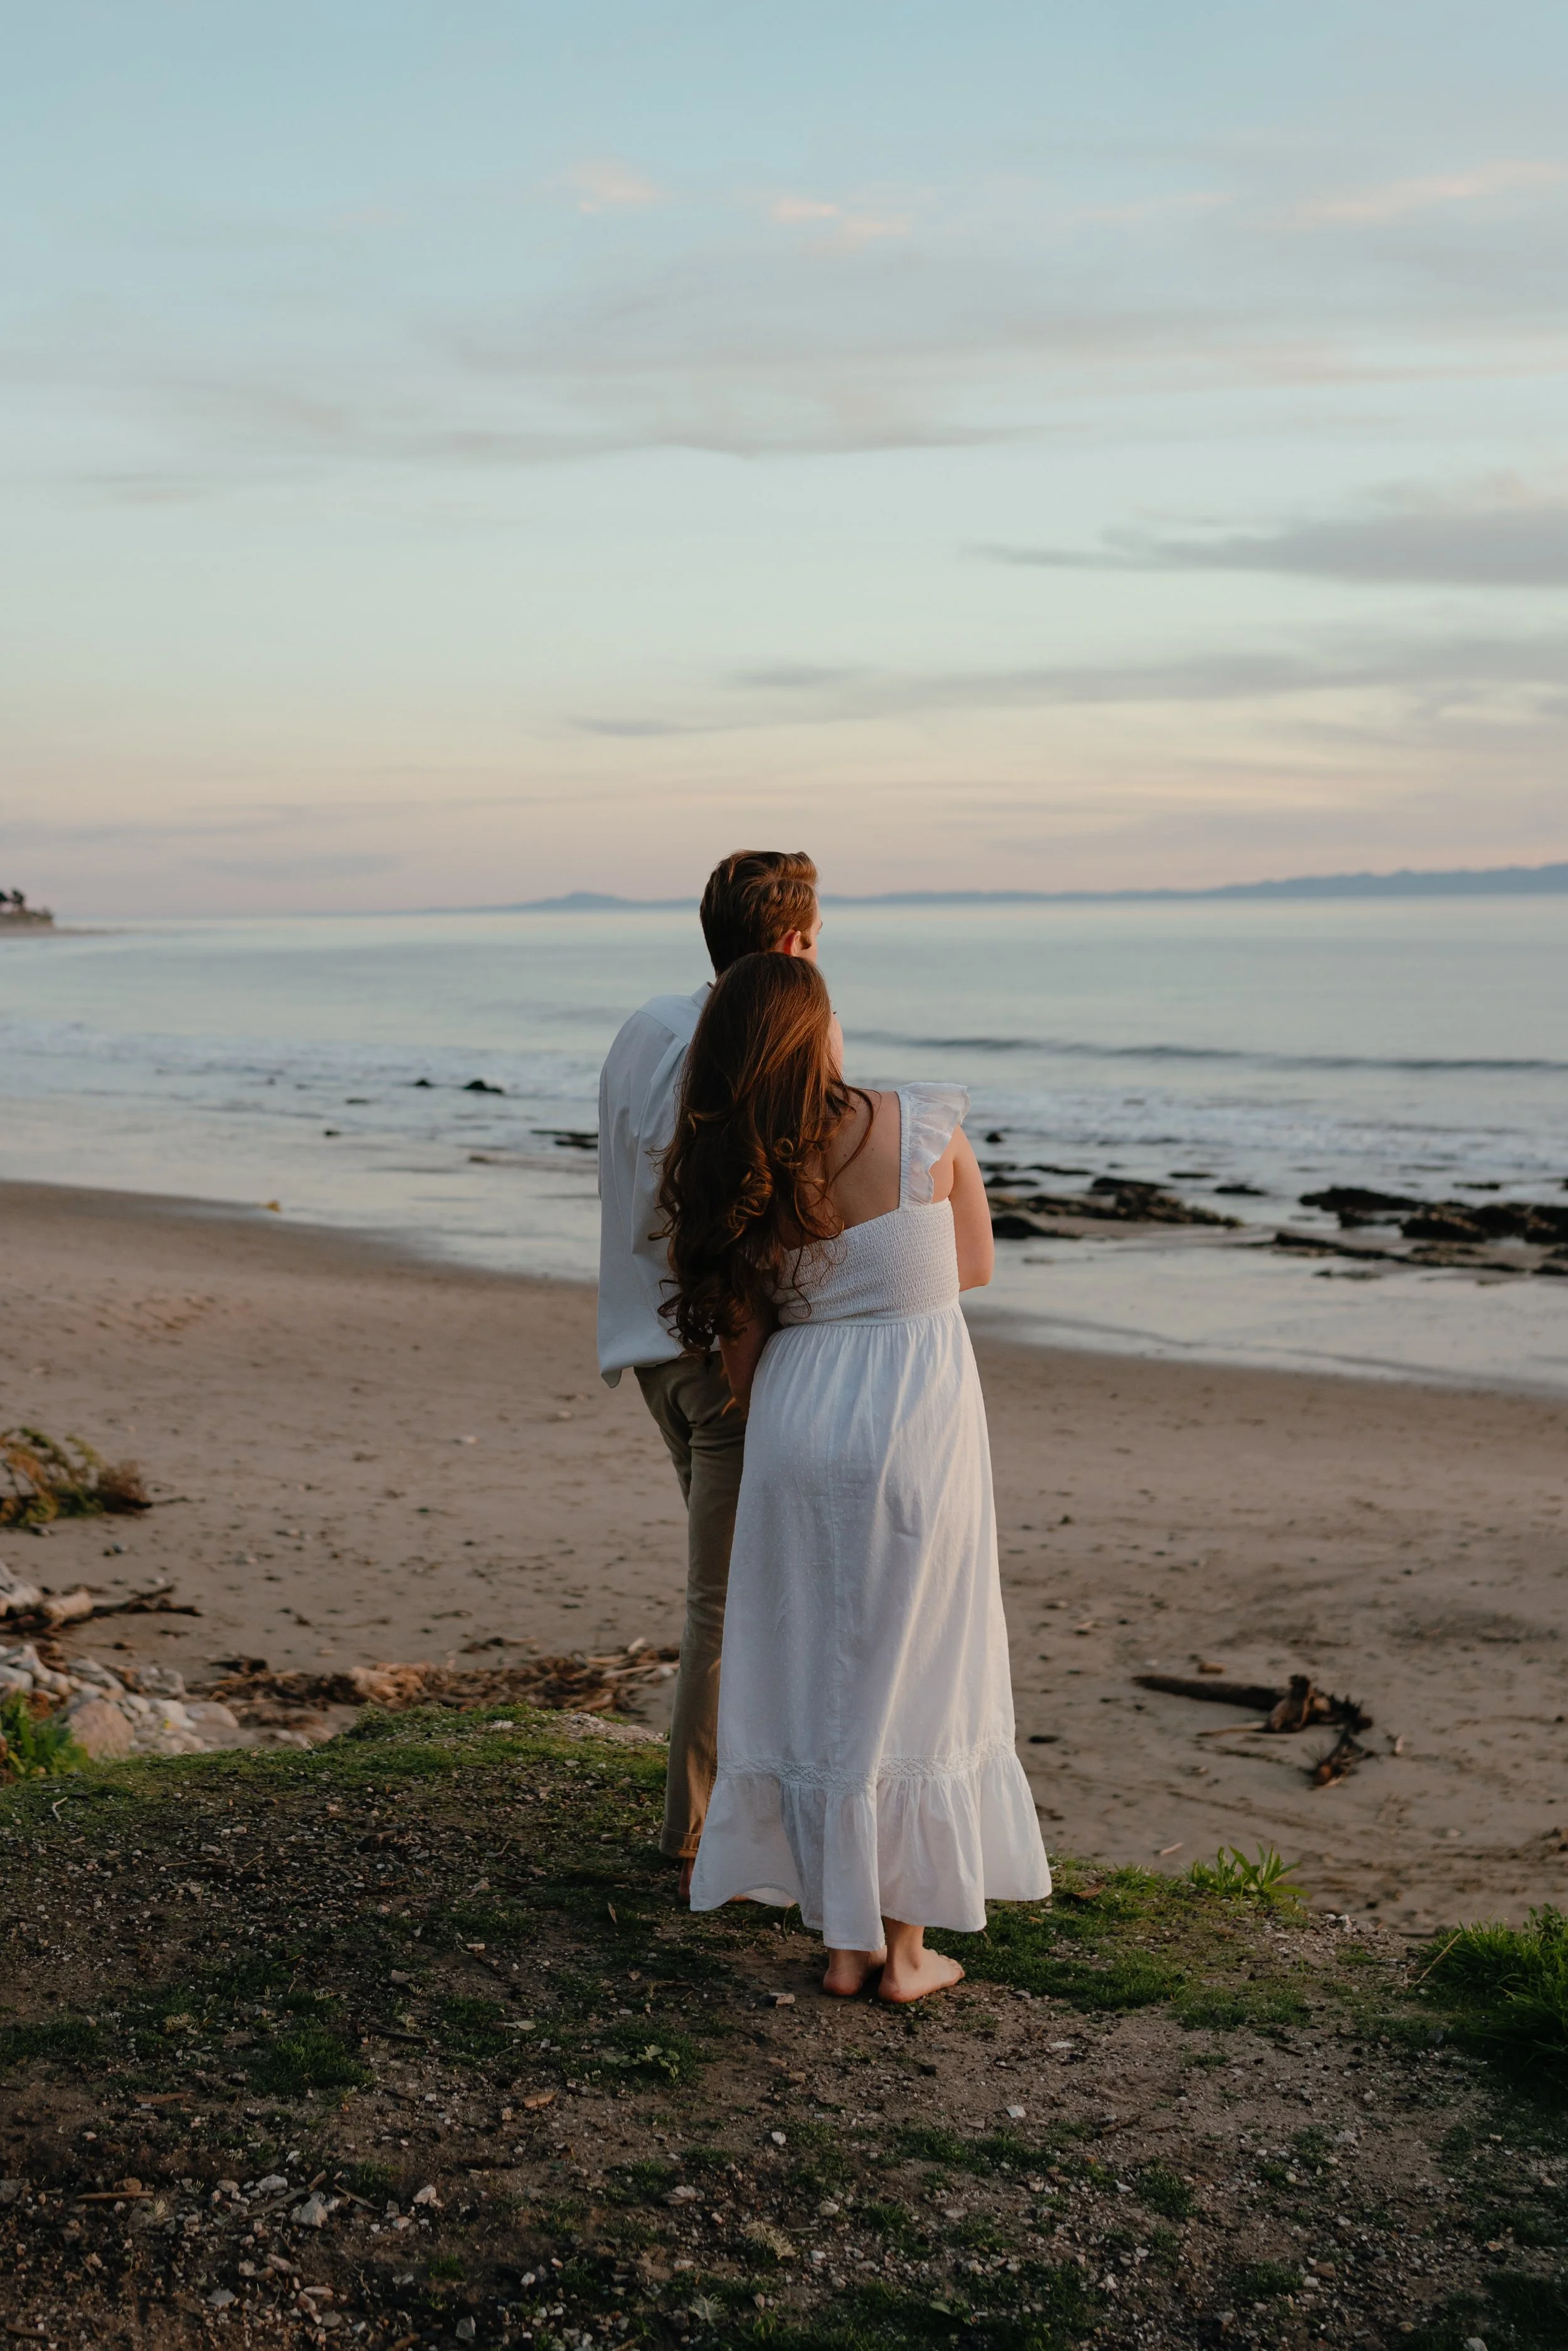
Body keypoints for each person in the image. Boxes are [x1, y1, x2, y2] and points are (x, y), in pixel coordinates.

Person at [659, 954, 1050, 2001]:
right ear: (821, 1033)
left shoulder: (731, 1172)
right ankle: (906, 1953)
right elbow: (972, 1265)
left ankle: (842, 1944)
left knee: (815, 1668)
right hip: (916, 1416)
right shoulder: (922, 1123)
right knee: (919, 1661)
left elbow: (741, 1357)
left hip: (798, 1416)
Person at [597, 850, 824, 1894]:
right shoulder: (754, 1049)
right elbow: (752, 1209)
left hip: (646, 1345)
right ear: (790, 945)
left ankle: (743, 1810)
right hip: (720, 1347)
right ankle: (689, 1838)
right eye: (815, 940)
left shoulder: (642, 1026)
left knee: (736, 1596)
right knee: (727, 1606)